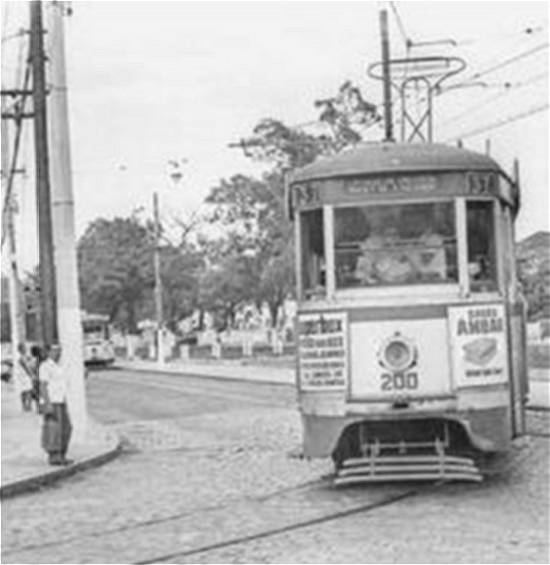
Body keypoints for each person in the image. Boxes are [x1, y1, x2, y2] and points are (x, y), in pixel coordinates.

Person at [39, 344, 73, 466]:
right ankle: (54, 456)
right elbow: (43, 386)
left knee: (66, 428)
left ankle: (62, 454)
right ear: (48, 352)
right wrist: (47, 403)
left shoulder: (59, 366)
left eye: (59, 351)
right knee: (53, 429)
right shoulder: (45, 366)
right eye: (54, 351)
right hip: (52, 401)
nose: (57, 353)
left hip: (61, 400)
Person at [14, 343, 34, 412]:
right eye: (24, 348)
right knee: (28, 390)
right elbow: (26, 367)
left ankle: (25, 406)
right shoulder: (21, 358)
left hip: (21, 376)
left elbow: (29, 362)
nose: (26, 349)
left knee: (24, 391)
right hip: (24, 376)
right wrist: (31, 375)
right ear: (20, 349)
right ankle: (28, 406)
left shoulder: (24, 356)